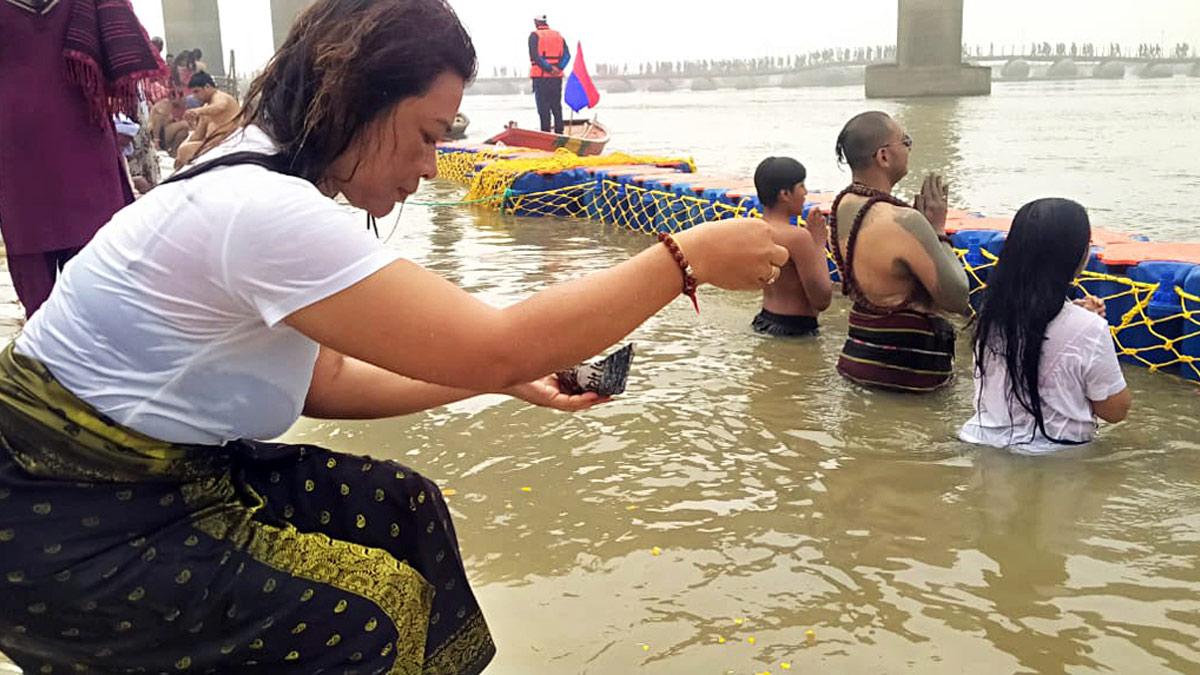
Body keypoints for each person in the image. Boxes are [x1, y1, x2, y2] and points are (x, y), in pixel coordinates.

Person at [0, 0, 787, 673]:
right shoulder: (263, 210)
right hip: (69, 516)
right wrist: (687, 257)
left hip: (137, 478)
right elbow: (500, 340)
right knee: (366, 619)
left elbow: (327, 381)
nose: (431, 165)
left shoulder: (261, 172)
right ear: (356, 98)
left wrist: (501, 378)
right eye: (425, 134)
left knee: (402, 508)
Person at [0, 0, 166, 318]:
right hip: (61, 140)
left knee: (66, 275)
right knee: (100, 272)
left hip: (37, 141)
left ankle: (53, 353)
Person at [960, 198, 1131, 453]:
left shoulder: (989, 315)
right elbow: (1115, 410)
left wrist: (1081, 318)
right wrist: (1091, 326)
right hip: (1055, 457)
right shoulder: (1089, 328)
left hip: (979, 442)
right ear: (1074, 255)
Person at [829, 111, 971, 392]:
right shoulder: (903, 221)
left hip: (857, 361)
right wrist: (938, 231)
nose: (910, 148)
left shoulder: (843, 205)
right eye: (906, 141)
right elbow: (957, 296)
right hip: (907, 378)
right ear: (884, 156)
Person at [751, 157, 833, 337]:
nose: (805, 192)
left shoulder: (754, 230)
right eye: (801, 186)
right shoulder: (798, 237)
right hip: (795, 329)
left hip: (764, 320)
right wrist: (818, 244)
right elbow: (822, 299)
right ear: (785, 194)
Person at [174, 71, 241, 168]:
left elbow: (220, 106)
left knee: (185, 150)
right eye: (193, 93)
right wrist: (192, 126)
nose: (195, 96)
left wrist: (197, 111)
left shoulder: (220, 96)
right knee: (183, 149)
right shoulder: (206, 108)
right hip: (211, 144)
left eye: (197, 91)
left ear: (207, 87)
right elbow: (198, 135)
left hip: (229, 143)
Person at [528, 14, 569, 133]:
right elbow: (567, 55)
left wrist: (549, 68)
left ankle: (546, 133)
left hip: (541, 78)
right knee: (556, 106)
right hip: (556, 78)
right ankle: (559, 133)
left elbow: (535, 56)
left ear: (536, 22)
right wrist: (558, 67)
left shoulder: (534, 36)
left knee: (543, 108)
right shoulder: (558, 35)